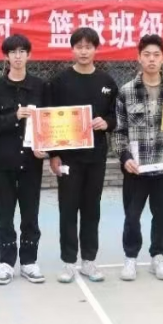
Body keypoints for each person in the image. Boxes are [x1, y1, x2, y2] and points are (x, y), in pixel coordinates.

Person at [45, 28, 119, 284]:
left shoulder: (107, 82)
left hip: (96, 157)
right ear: (72, 49)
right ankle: (68, 262)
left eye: (89, 47)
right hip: (68, 159)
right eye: (79, 47)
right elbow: (50, 119)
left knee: (91, 209)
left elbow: (116, 116)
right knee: (68, 209)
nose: (84, 51)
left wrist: (106, 123)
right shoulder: (60, 81)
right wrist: (54, 155)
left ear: (96, 49)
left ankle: (89, 261)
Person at [113, 34, 163, 282]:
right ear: (139, 58)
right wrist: (125, 158)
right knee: (132, 216)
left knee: (161, 215)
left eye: (156, 55)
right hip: (136, 170)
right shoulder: (126, 91)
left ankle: (158, 257)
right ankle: (130, 258)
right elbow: (119, 131)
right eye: (147, 55)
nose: (152, 59)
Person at [0, 35, 48, 285]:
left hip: (31, 163)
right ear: (6, 56)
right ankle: (6, 262)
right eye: (13, 52)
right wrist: (14, 116)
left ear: (29, 55)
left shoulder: (40, 86)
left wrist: (45, 148)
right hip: (4, 162)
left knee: (30, 214)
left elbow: (49, 122)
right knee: (5, 214)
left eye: (22, 51)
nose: (18, 57)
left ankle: (29, 261)